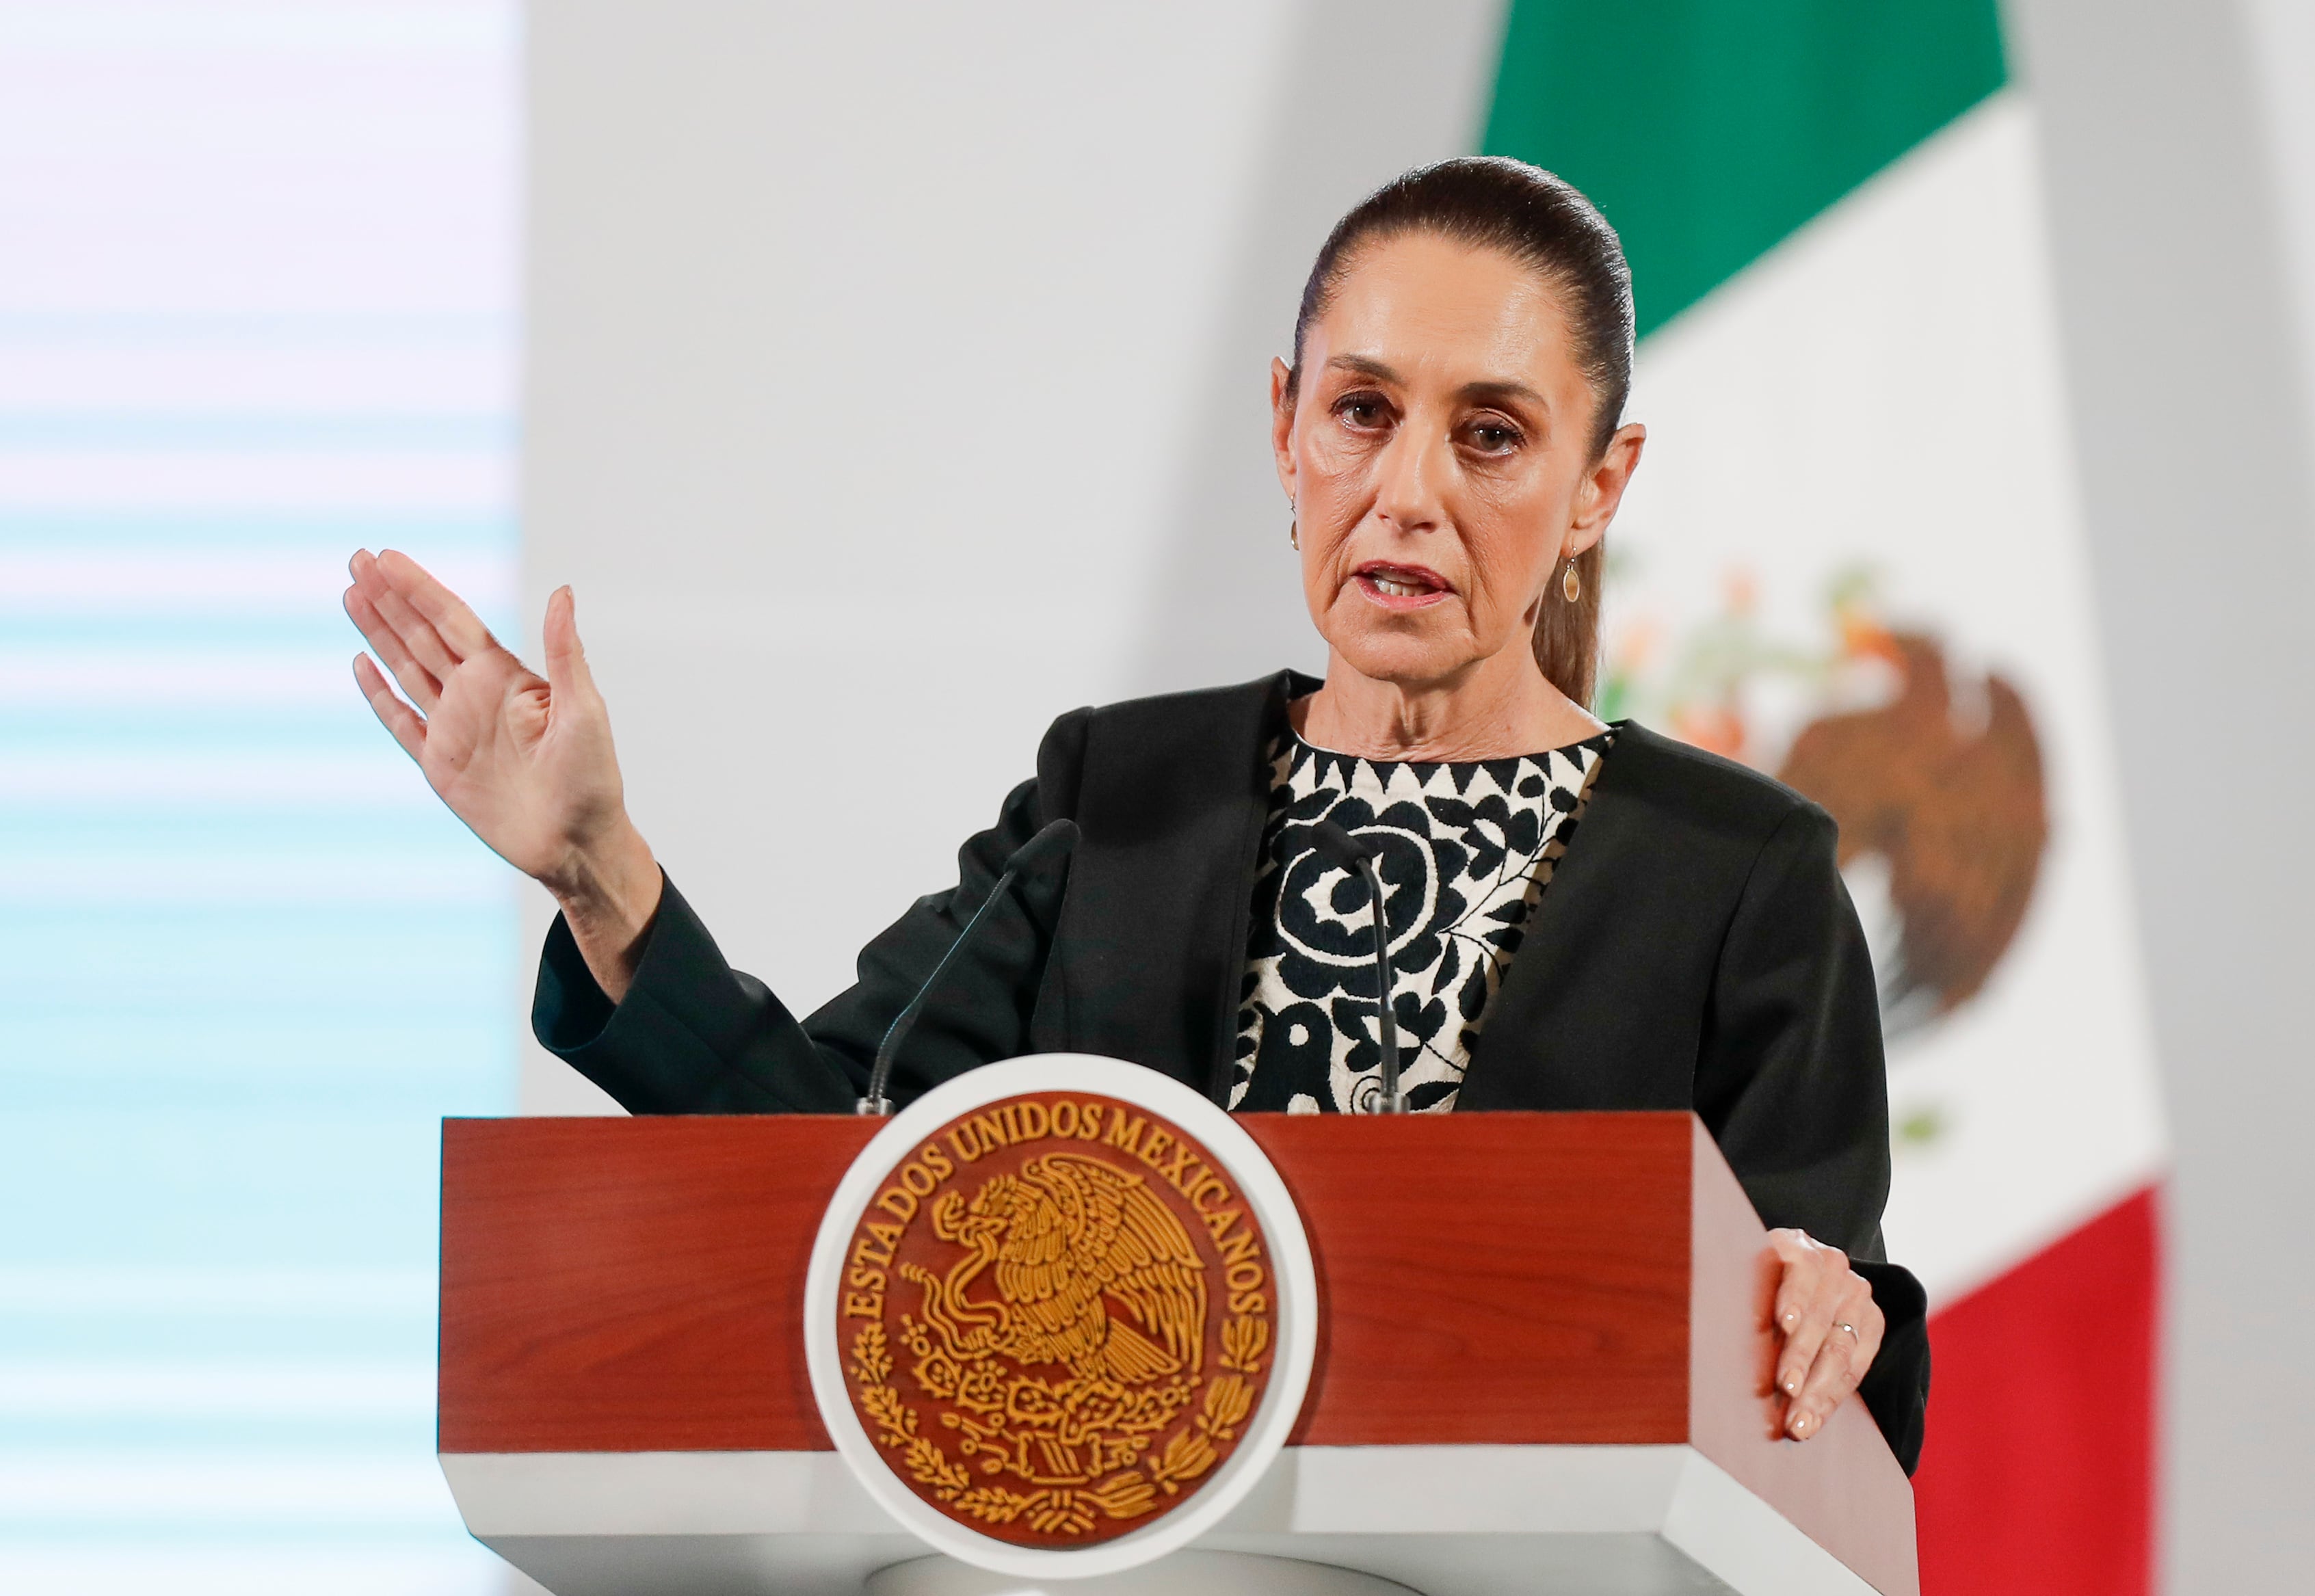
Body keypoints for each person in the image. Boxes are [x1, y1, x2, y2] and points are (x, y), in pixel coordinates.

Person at [343, 158, 1927, 1470]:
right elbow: (826, 1182)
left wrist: (1821, 1310)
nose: (1409, 492)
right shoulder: (1119, 798)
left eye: (1492, 434)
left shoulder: (1738, 878)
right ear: (1285, 426)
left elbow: (1827, 1357)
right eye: (1362, 411)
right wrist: (601, 873)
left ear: (1599, 485)